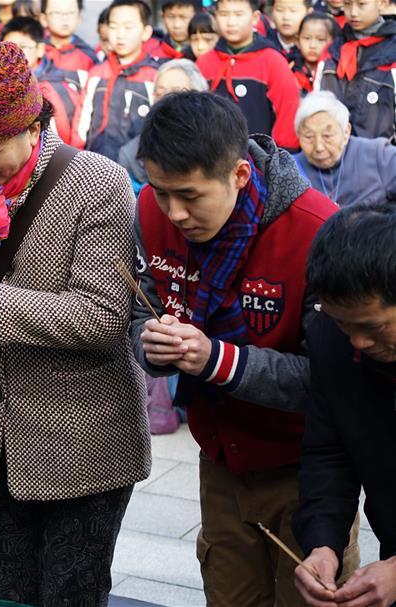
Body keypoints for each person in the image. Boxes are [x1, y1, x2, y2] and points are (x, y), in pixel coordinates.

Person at [0, 40, 150, 607]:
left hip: (83, 441)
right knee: (5, 594)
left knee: (71, 594)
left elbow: (106, 318)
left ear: (29, 124)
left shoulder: (98, 184)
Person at [131, 91, 357, 606]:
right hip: (219, 461)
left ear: (238, 174)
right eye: (162, 192)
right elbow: (141, 306)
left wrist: (217, 360)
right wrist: (150, 344)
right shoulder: (148, 208)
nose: (175, 212)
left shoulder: (317, 230)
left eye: (190, 195)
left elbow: (336, 381)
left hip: (306, 470)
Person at [293, 202, 396, 607]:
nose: (357, 343)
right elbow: (328, 450)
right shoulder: (331, 340)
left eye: (371, 327)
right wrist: (322, 544)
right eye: (341, 323)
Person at [197, 0, 302, 150]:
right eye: (224, 14)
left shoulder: (272, 60)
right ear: (215, 16)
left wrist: (280, 160)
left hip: (260, 160)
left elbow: (288, 113)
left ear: (254, 17)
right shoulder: (204, 62)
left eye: (238, 14)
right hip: (212, 158)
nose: (231, 22)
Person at [79, 0, 161, 161]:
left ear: (146, 32)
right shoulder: (97, 73)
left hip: (137, 170)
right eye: (114, 27)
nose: (120, 34)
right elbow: (81, 125)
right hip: (96, 163)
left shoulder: (155, 76)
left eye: (128, 27)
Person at [117, 58, 209, 194]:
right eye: (160, 93)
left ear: (201, 97)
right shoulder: (131, 155)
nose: (166, 100)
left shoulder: (216, 142)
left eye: (177, 93)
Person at [293, 91, 396, 206]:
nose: (319, 147)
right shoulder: (290, 168)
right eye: (309, 137)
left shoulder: (379, 156)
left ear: (346, 132)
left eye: (327, 136)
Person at [315, 0, 396, 141]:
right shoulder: (332, 51)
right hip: (331, 152)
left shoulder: (392, 52)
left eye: (361, 4)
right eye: (347, 4)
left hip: (380, 156)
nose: (353, 12)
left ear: (382, 3)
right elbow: (315, 103)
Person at [1, 16, 85, 148]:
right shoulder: (0, 85)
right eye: (8, 49)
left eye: (23, 47)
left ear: (40, 49)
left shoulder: (58, 84)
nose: (15, 55)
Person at [41, 0, 101, 71]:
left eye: (71, 12)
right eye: (57, 13)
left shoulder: (89, 56)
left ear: (79, 17)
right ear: (44, 19)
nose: (65, 18)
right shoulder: (35, 49)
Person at [292, 13, 340, 94]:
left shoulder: (337, 71)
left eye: (321, 39)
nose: (312, 45)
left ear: (333, 42)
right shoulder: (290, 68)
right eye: (307, 38)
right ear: (297, 41)